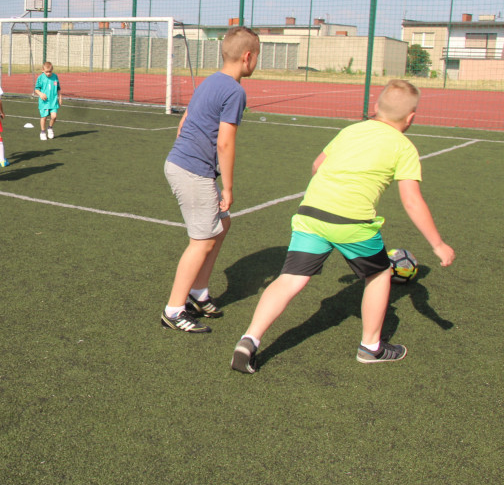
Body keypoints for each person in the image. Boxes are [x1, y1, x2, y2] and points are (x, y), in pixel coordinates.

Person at [231, 80, 456, 373]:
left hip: (311, 212)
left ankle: (249, 339)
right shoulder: (404, 146)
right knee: (380, 272)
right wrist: (438, 244)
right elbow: (412, 201)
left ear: (375, 107)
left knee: (290, 278)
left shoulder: (351, 130)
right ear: (411, 118)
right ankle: (371, 347)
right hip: (352, 223)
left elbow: (317, 165)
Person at [160, 26, 260, 334]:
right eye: (257, 56)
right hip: (193, 170)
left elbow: (184, 122)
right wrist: (227, 187)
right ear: (248, 57)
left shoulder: (211, 81)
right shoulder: (234, 91)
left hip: (185, 165)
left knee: (223, 221)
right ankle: (174, 310)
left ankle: (198, 292)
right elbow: (225, 142)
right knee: (201, 242)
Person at [34, 61, 61, 140]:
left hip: (53, 101)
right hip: (44, 102)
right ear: (43, 70)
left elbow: (58, 88)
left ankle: (50, 128)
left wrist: (60, 97)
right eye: (46, 72)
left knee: (54, 116)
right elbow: (36, 89)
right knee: (44, 117)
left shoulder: (55, 77)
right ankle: (42, 131)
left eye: (50, 71)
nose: (48, 73)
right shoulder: (40, 78)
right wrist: (41, 94)